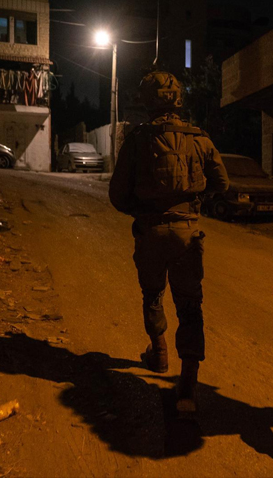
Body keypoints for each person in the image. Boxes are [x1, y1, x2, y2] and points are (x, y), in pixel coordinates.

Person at [109, 70, 229, 413]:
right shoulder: (199, 138)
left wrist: (142, 211)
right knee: (190, 305)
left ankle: (159, 353)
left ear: (147, 101)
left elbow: (117, 195)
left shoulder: (137, 139)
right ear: (178, 100)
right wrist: (194, 197)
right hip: (187, 231)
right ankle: (187, 388)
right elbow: (222, 182)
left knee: (152, 294)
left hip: (150, 231)